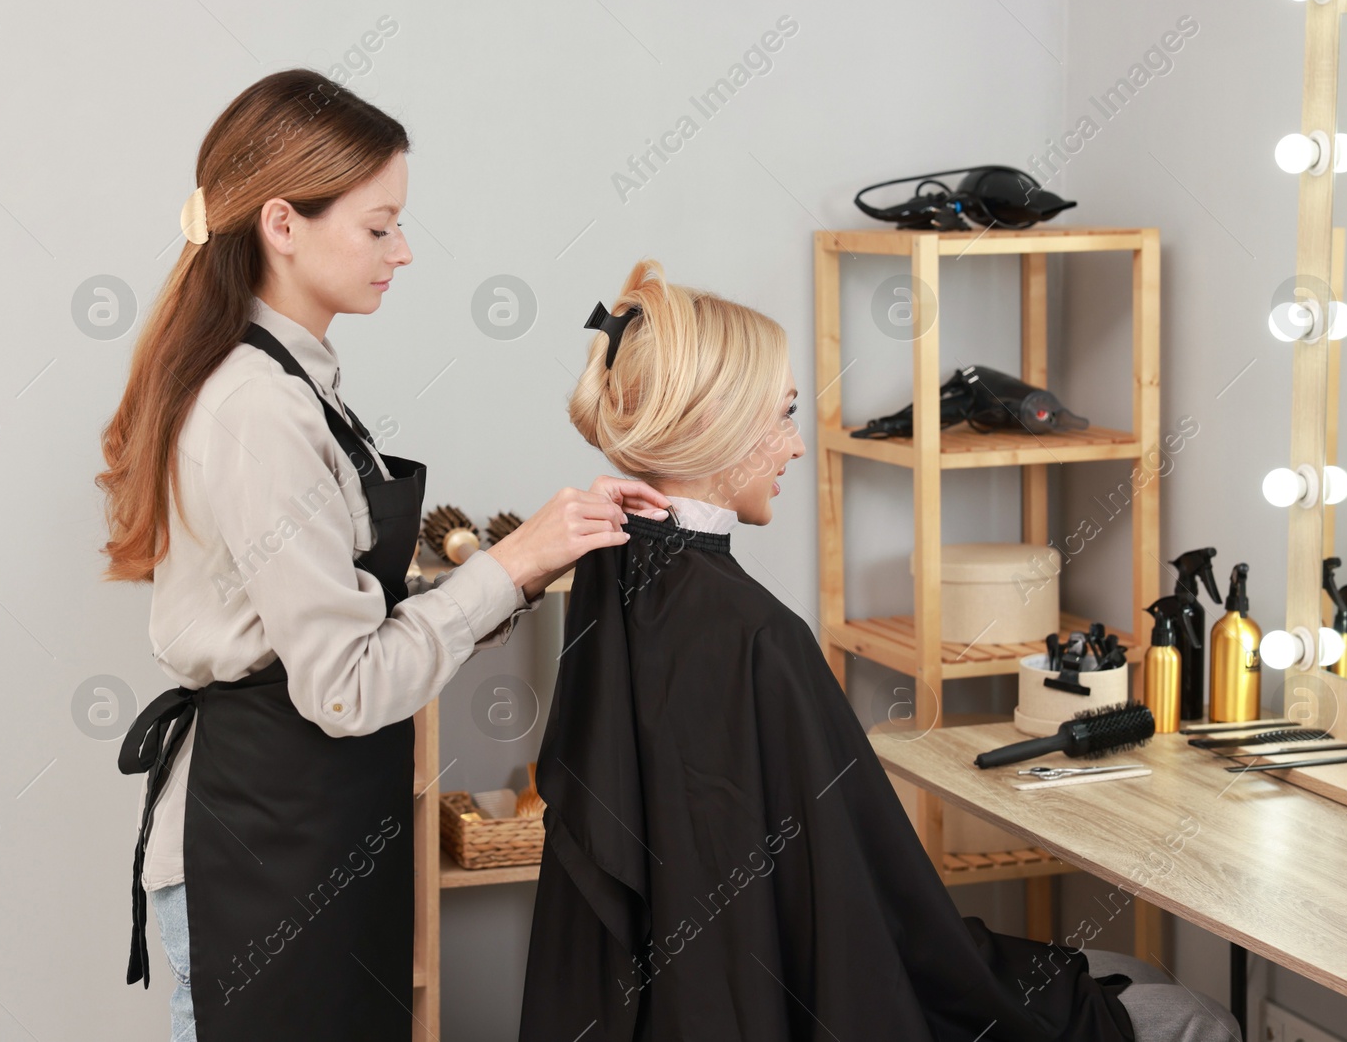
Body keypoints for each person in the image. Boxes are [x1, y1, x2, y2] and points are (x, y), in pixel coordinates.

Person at [517, 259, 1242, 1042]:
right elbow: (876, 924)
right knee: (1189, 1013)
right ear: (715, 424)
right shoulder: (757, 636)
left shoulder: (611, 571)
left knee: (1139, 981)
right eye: (783, 415)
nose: (794, 446)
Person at [95, 70, 670, 1042]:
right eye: (378, 226)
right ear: (282, 223)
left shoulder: (293, 381)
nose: (402, 251)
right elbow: (346, 685)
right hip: (263, 858)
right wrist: (514, 562)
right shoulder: (259, 409)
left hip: (304, 834)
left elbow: (336, 606)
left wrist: (525, 559)